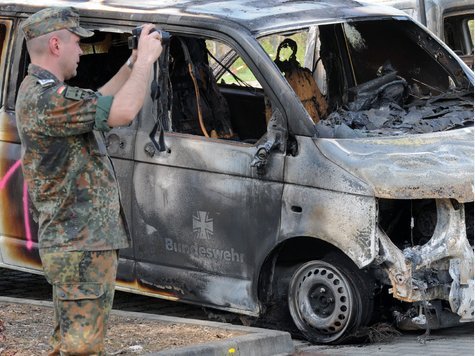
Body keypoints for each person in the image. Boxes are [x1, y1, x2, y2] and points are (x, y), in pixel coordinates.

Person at [15, 7, 163, 355]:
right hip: (77, 245)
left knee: (71, 344)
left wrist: (133, 62)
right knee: (82, 349)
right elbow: (123, 111)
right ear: (55, 44)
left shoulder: (46, 92)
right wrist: (146, 64)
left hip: (79, 244)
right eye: (76, 43)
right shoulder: (45, 100)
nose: (81, 50)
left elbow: (101, 101)